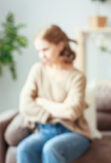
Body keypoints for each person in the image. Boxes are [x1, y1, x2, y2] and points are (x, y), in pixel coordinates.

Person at [17, 25, 91, 163]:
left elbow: (71, 113)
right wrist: (58, 109)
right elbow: (25, 105)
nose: (41, 55)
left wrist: (41, 101)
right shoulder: (37, 70)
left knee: (51, 149)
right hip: (45, 130)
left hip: (73, 132)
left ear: (60, 46)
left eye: (45, 49)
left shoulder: (77, 77)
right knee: (24, 149)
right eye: (39, 51)